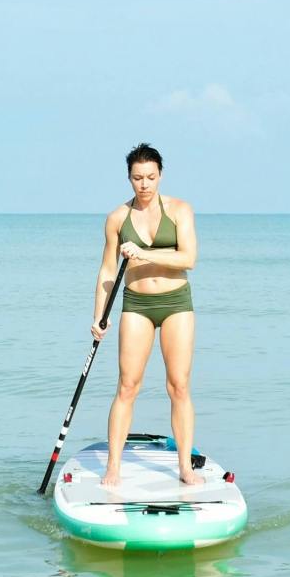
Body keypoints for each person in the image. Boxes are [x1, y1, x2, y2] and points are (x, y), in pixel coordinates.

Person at [91, 144, 200, 488]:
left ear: (160, 176)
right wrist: (98, 317)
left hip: (175, 303)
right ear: (129, 178)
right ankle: (113, 467)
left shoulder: (180, 210)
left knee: (178, 385)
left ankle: (185, 467)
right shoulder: (117, 219)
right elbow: (108, 270)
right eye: (138, 178)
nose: (144, 184)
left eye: (151, 177)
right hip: (136, 304)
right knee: (127, 385)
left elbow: (189, 259)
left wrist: (143, 254)